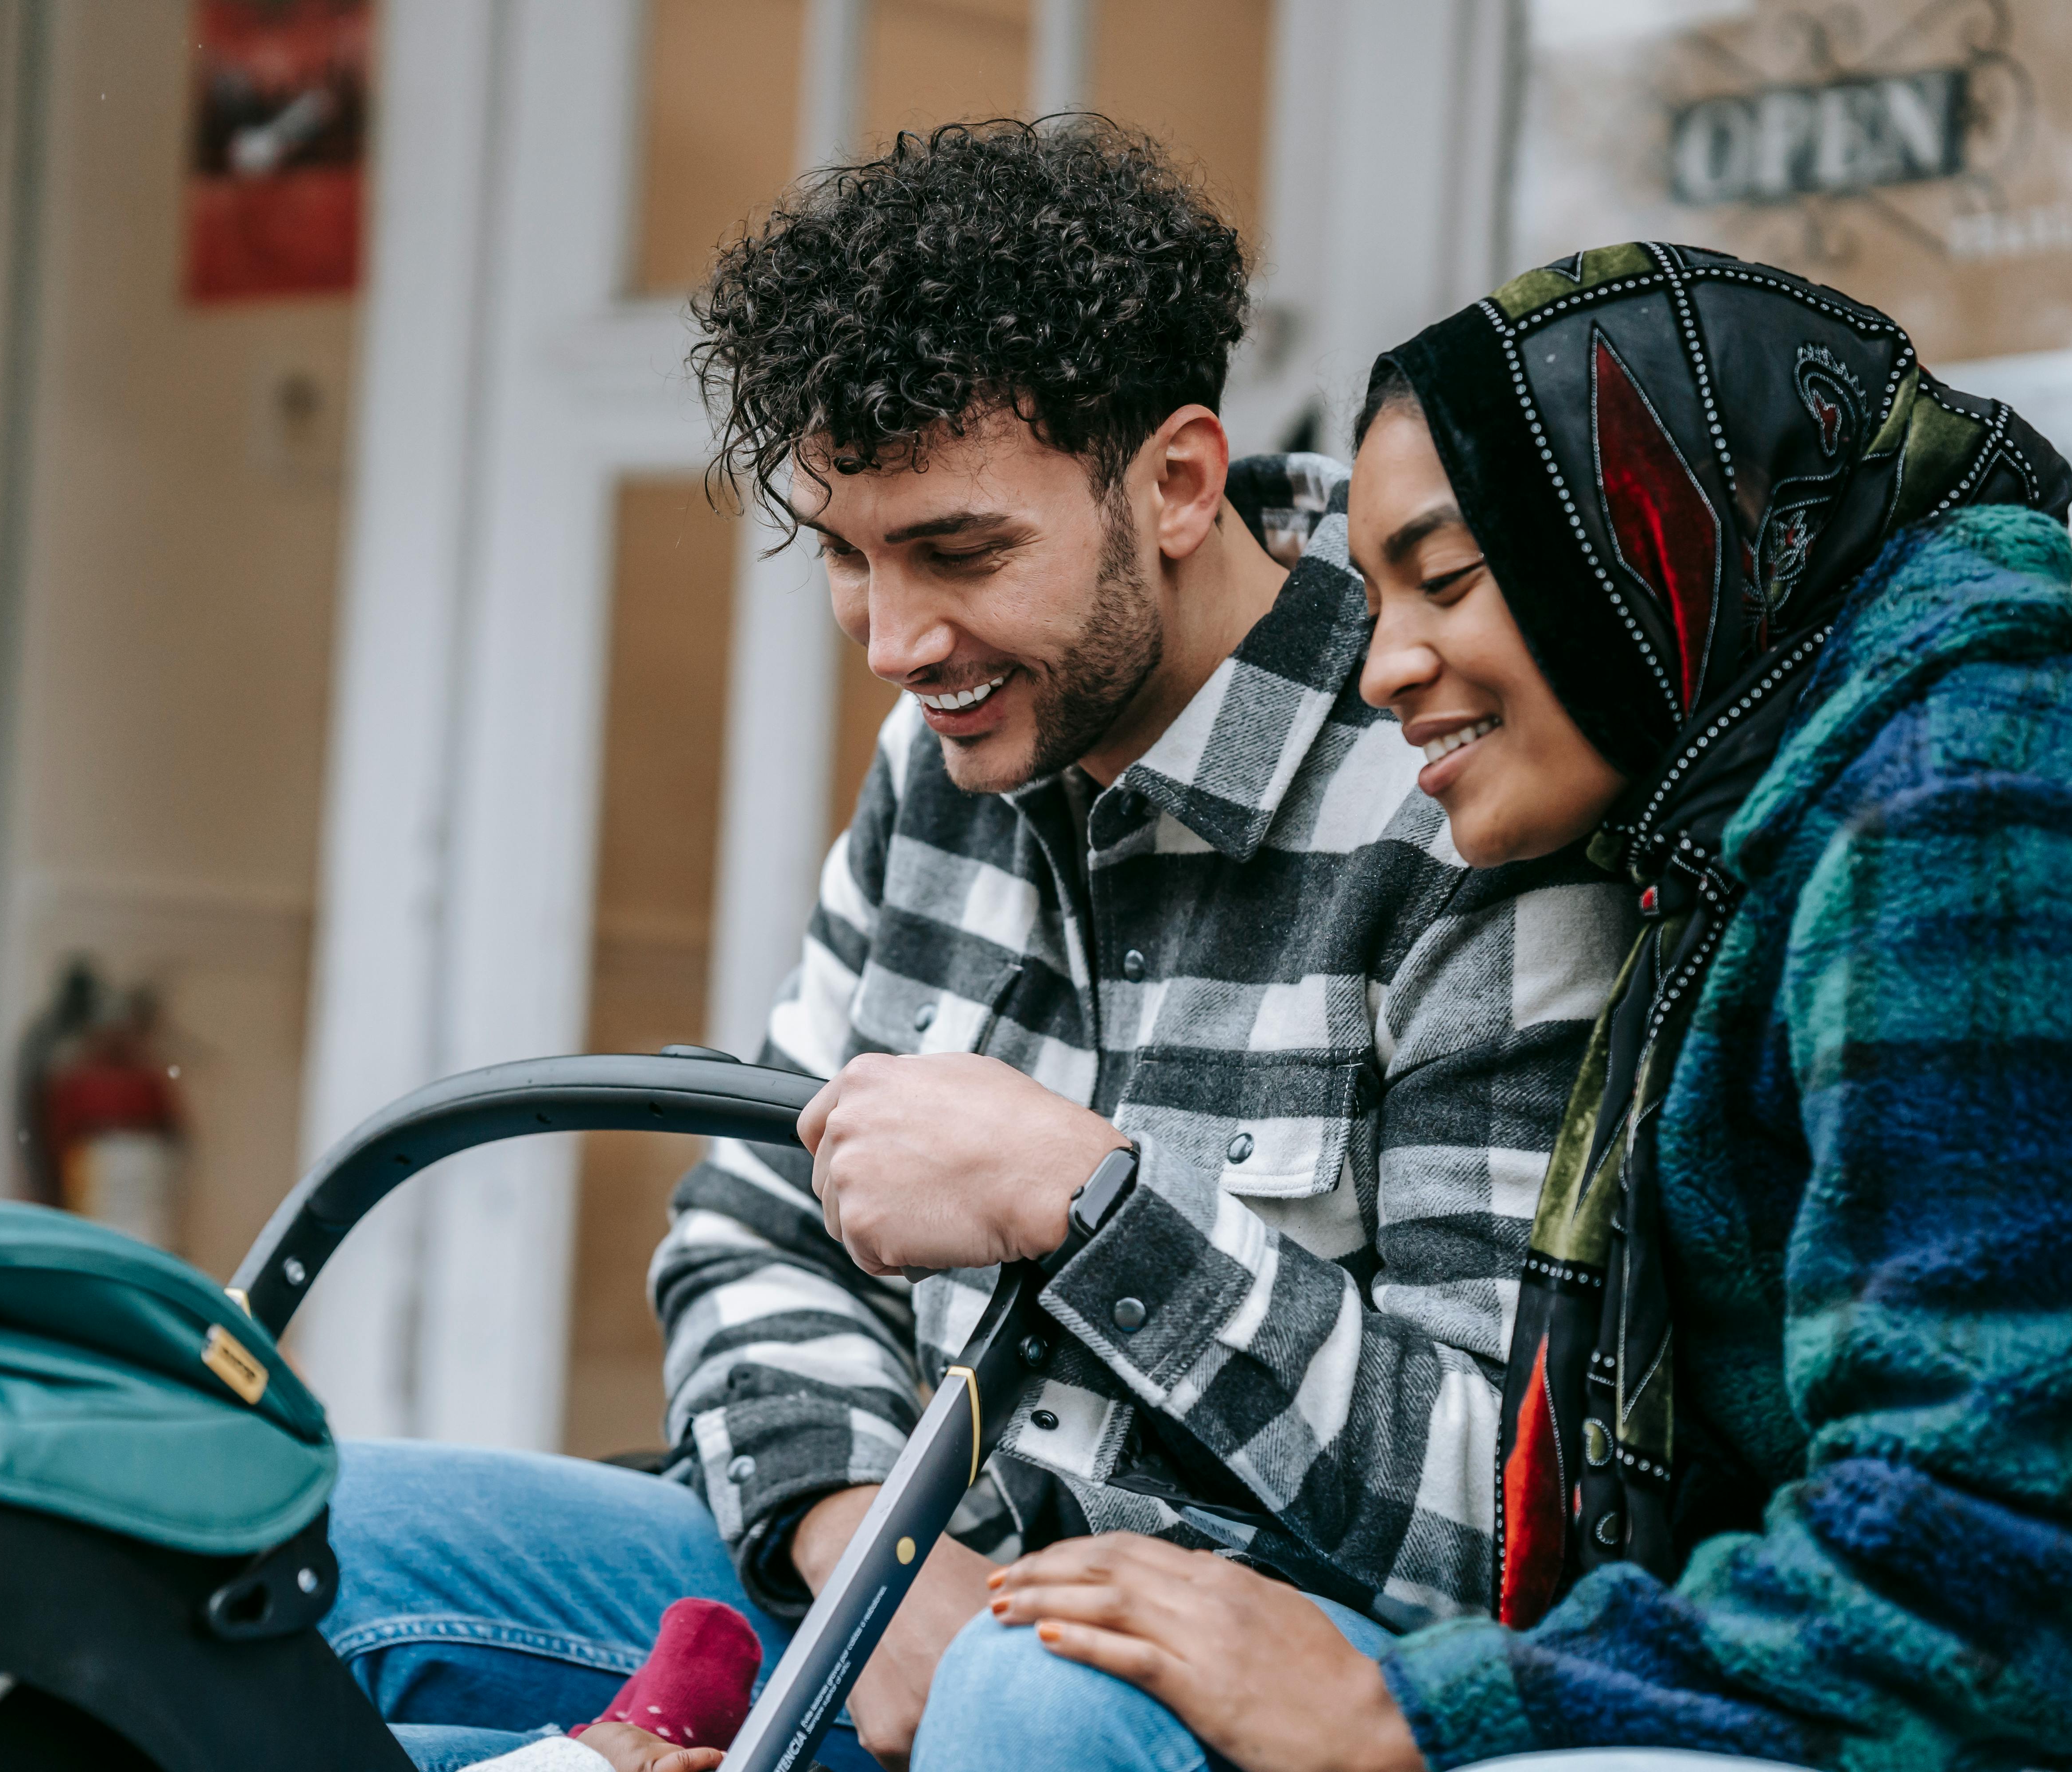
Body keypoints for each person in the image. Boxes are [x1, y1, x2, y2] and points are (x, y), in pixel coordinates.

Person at [321, 121, 1631, 1771]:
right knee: (328, 1539)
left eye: (958, 553)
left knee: (1029, 1698)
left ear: (1174, 483)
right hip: (904, 1585)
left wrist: (1091, 1207)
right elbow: (748, 1225)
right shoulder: (944, 758)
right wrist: (862, 1537)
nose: (894, 644)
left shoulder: (1459, 795)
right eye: (847, 557)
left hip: (1205, 1680)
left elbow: (1497, 1522)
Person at [980, 242, 2072, 1771]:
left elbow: (1984, 1580)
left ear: (1664, 532)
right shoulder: (1747, 833)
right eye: (1372, 597)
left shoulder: (1993, 811)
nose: (1385, 668)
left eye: (1448, 578)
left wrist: (1400, 1712)